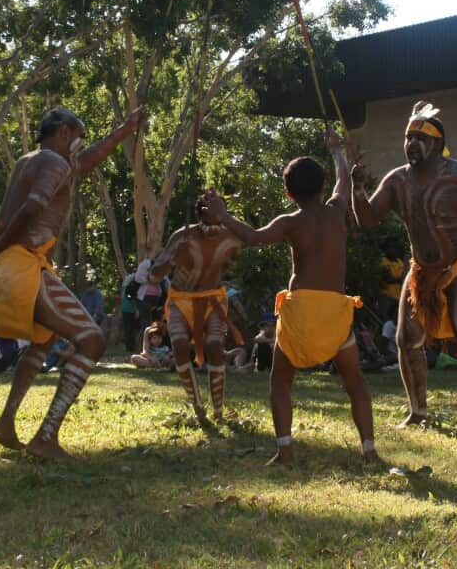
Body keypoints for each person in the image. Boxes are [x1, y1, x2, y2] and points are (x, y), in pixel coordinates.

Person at [0, 105, 146, 460]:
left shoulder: (32, 160)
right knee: (92, 339)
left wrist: (124, 129)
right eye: (78, 138)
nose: (79, 147)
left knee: (44, 339)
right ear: (65, 133)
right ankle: (46, 437)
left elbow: (88, 159)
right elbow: (32, 209)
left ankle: (6, 422)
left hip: (11, 263)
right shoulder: (54, 164)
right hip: (19, 262)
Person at [207, 127, 379, 464]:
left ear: (288, 193)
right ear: (323, 187)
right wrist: (336, 151)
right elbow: (344, 180)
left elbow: (253, 237)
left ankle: (285, 449)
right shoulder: (336, 211)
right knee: (355, 383)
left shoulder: (290, 222)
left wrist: (223, 215)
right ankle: (369, 451)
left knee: (280, 382)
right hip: (334, 312)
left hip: (300, 313)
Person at [352, 101, 457, 437]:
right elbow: (367, 219)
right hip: (423, 270)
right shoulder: (397, 181)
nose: (412, 143)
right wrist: (357, 190)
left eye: (420, 138)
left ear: (437, 145)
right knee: (405, 339)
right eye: (408, 137)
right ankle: (418, 411)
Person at [147, 201, 246, 422]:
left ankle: (218, 411)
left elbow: (235, 258)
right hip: (181, 299)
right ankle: (197, 405)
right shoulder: (182, 236)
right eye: (207, 219)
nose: (212, 228)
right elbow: (153, 276)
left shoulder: (232, 237)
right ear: (199, 217)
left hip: (212, 300)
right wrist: (174, 258)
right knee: (180, 345)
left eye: (218, 218)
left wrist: (226, 264)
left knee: (215, 345)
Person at [378, 240, 407, 323]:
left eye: (395, 248)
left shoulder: (399, 261)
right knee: (388, 322)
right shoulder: (382, 261)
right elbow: (387, 279)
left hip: (399, 297)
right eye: (392, 248)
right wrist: (402, 280)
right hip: (387, 297)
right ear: (386, 249)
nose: (394, 250)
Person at [119, 272, 141, 354]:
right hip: (130, 309)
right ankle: (131, 346)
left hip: (124, 308)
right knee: (131, 329)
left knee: (128, 329)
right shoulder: (131, 286)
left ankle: (129, 346)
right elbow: (132, 299)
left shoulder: (124, 285)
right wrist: (136, 310)